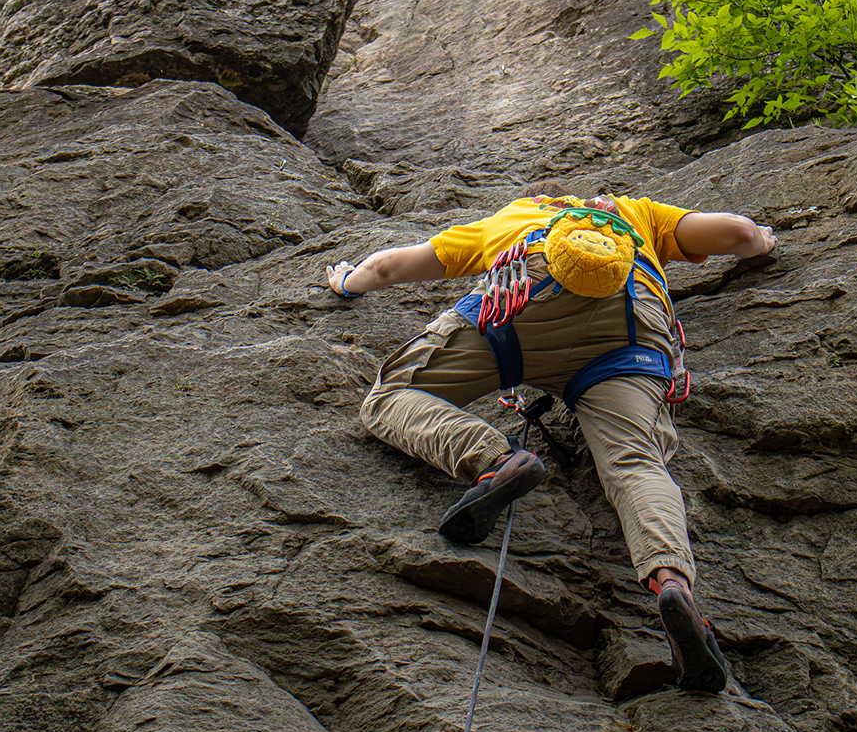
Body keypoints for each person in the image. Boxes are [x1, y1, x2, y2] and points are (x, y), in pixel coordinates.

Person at [325, 186, 776, 693]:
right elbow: (737, 233)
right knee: (636, 464)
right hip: (627, 329)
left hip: (522, 306)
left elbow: (387, 268)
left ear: (541, 200)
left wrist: (346, 281)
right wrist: (764, 240)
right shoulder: (637, 214)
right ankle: (672, 582)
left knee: (391, 396)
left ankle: (495, 461)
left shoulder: (515, 216)